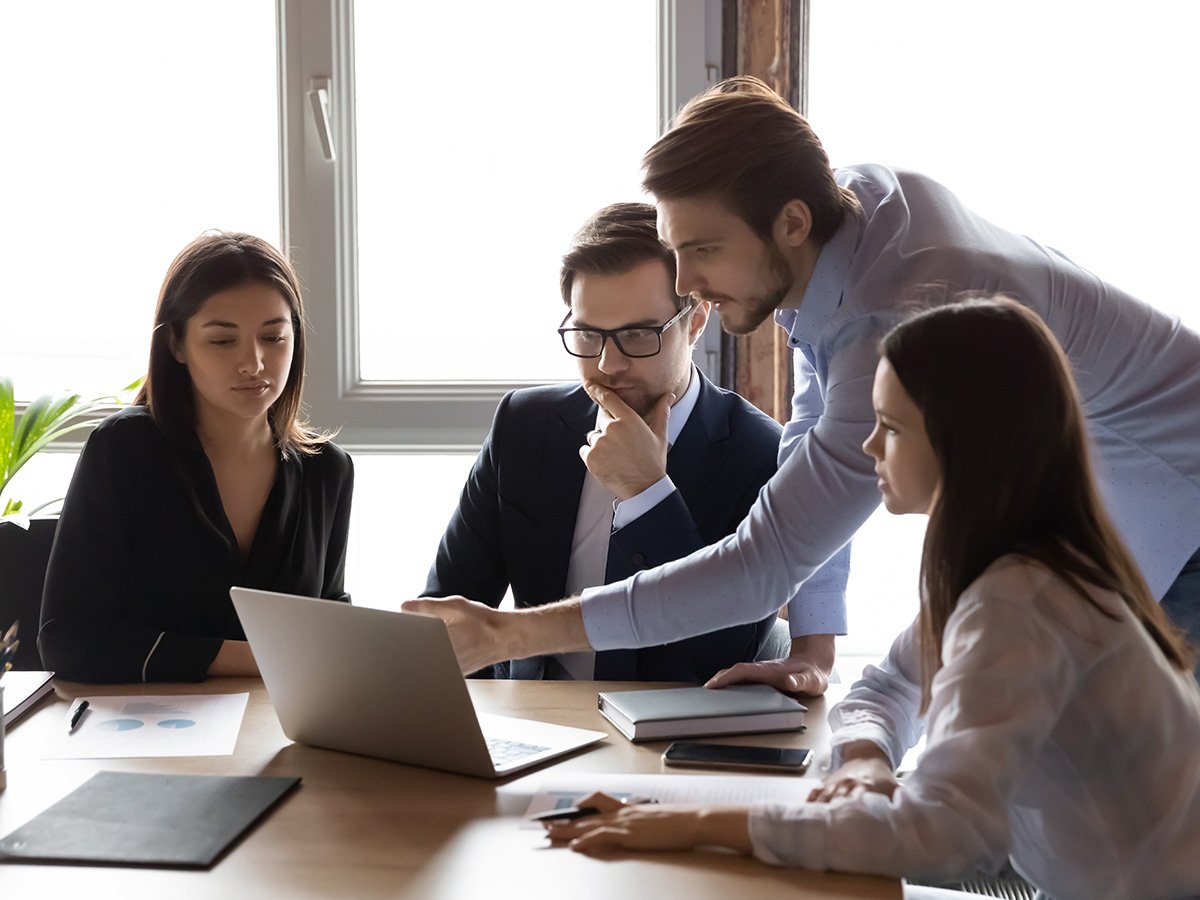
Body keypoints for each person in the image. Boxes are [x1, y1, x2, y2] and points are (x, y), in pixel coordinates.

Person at [403, 75, 1200, 687]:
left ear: (788, 221)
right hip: (1106, 523)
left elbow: (761, 565)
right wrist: (815, 645)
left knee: (1136, 826)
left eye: (703, 252)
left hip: (1180, 515)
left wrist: (513, 635)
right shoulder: (841, 220)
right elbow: (816, 441)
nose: (687, 282)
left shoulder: (897, 316)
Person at [542, 298, 1200, 900]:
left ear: (960, 442)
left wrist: (691, 825)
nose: (868, 447)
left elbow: (942, 835)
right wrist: (862, 759)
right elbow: (885, 687)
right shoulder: (1012, 567)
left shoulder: (1020, 598)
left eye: (890, 426)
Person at [424, 202, 815, 682]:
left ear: (695, 321)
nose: (608, 364)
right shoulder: (525, 425)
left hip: (666, 744)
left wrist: (648, 493)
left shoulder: (760, 454)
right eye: (588, 335)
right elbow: (445, 613)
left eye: (637, 334)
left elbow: (710, 659)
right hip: (530, 725)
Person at [39, 232, 354, 683]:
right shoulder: (125, 450)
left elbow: (329, 633)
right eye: (223, 342)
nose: (254, 363)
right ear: (177, 345)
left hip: (280, 731)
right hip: (144, 732)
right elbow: (68, 639)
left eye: (273, 337)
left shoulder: (327, 470)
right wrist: (257, 659)